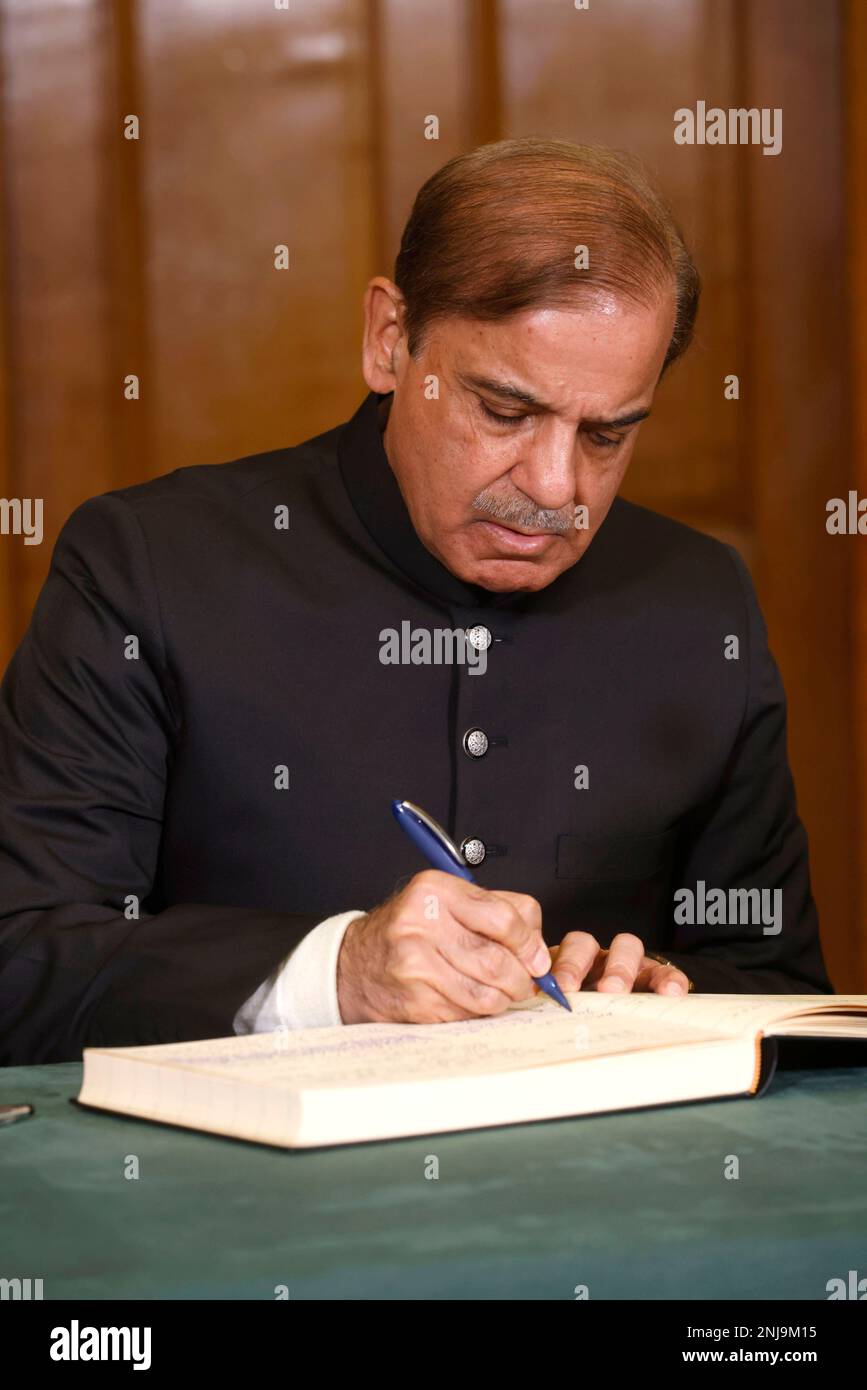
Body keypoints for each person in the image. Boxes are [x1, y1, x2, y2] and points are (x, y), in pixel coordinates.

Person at [0, 138, 832, 1065]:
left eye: (606, 433)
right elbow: (22, 964)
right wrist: (335, 973)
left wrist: (656, 995)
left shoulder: (698, 603)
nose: (556, 489)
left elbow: (786, 994)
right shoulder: (146, 566)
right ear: (390, 340)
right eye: (504, 412)